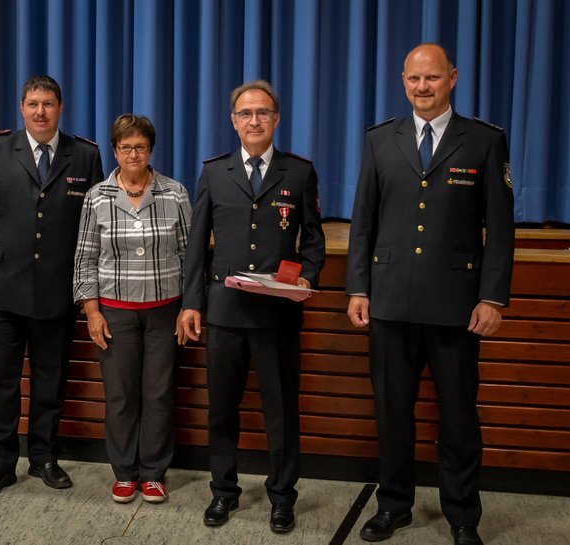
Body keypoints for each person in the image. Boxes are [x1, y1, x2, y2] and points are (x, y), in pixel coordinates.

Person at [346, 44, 515, 545]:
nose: (423, 87)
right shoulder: (381, 140)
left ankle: (463, 516)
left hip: (457, 307)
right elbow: (364, 222)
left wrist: (493, 298)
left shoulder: (483, 141)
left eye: (433, 79)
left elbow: (501, 230)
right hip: (390, 302)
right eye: (414, 79)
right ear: (403, 81)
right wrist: (359, 287)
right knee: (392, 413)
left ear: (452, 79)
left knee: (459, 417)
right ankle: (393, 506)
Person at [179, 80, 325, 533]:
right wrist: (191, 303)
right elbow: (196, 247)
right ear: (233, 121)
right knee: (222, 408)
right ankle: (223, 492)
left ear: (277, 119)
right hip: (224, 313)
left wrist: (306, 275)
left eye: (263, 113)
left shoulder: (298, 172)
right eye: (246, 114)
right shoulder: (214, 172)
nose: (255, 121)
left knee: (281, 410)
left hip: (277, 315)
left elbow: (315, 241)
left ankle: (283, 497)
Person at [0, 75, 104, 500]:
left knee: (50, 380)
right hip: (0, 291)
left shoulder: (85, 155)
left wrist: (86, 287)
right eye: (33, 104)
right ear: (21, 108)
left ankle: (43, 458)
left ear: (61, 109)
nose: (41, 111)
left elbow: (93, 228)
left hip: (59, 291)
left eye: (48, 104)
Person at [73, 114, 191, 504]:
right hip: (114, 314)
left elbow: (190, 256)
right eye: (126, 148)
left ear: (151, 150)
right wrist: (92, 311)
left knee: (158, 394)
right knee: (121, 396)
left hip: (165, 313)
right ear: (115, 151)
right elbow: (85, 258)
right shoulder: (96, 196)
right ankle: (125, 473)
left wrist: (190, 306)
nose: (133, 154)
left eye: (140, 146)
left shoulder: (175, 193)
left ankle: (154, 473)